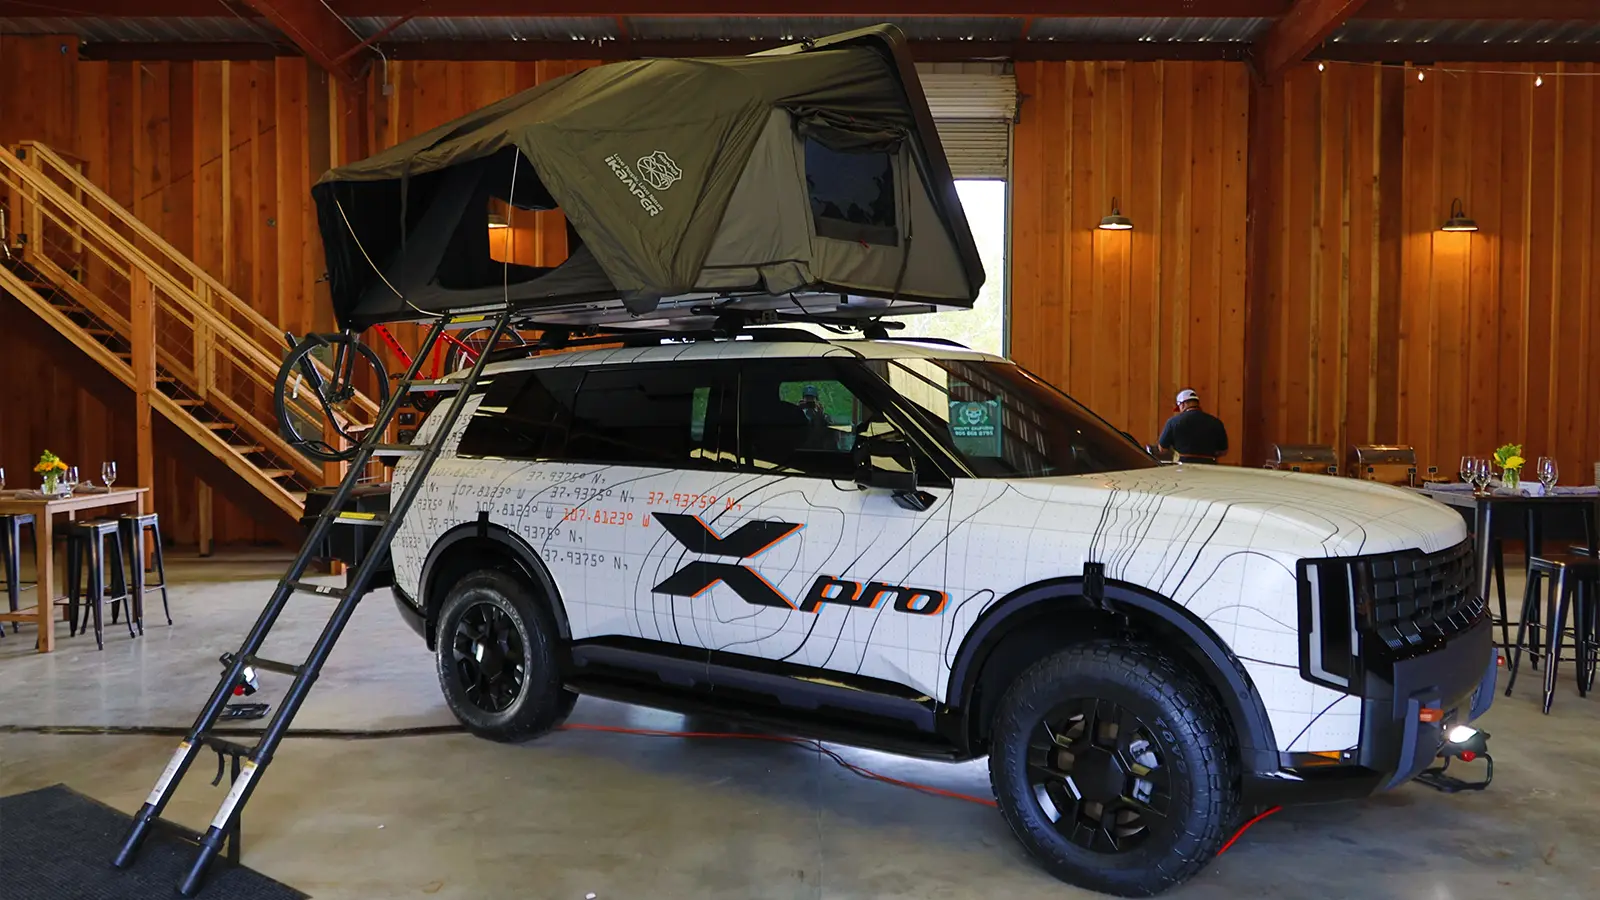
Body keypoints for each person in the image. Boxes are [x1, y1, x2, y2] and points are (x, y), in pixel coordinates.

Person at [1157, 389, 1228, 464]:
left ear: (1182, 404)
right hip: (1209, 467)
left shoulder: (1173, 421)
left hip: (1182, 466)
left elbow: (1162, 449)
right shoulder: (1216, 422)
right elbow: (1223, 451)